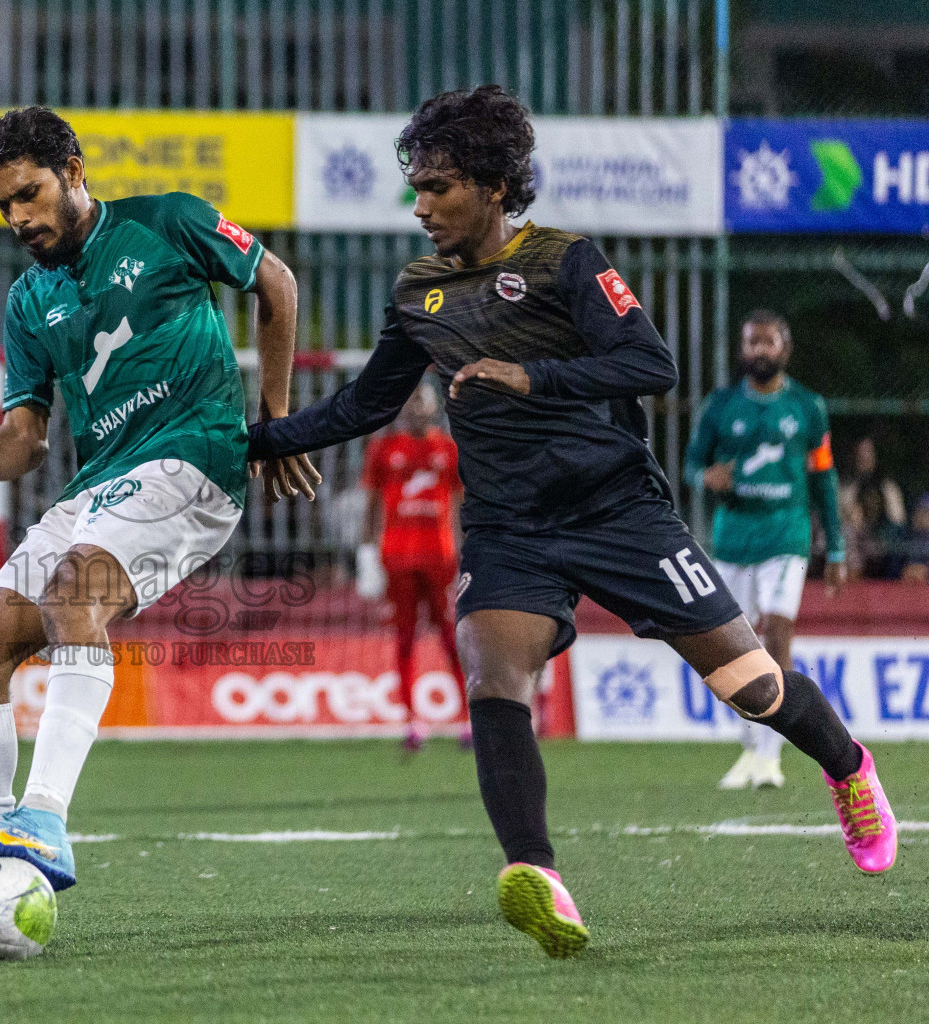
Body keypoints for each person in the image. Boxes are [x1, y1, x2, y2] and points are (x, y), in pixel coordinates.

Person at [247, 85, 896, 958]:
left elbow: (651, 362)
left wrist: (529, 376)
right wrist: (255, 439)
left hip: (618, 509)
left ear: (490, 183)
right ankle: (536, 874)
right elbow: (367, 401)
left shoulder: (565, 261)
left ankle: (850, 768)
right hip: (509, 526)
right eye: (417, 187)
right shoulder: (419, 291)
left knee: (754, 685)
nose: (422, 205)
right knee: (490, 673)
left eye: (438, 187)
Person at [0, 106, 317, 892]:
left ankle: (46, 817)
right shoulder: (29, 300)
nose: (18, 217)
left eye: (28, 194)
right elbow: (25, 441)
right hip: (100, 486)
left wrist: (278, 417)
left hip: (194, 458)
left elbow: (276, 283)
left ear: (74, 172)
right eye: (3, 206)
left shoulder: (170, 222)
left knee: (73, 589)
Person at [684, 310, 845, 791]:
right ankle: (751, 747)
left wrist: (835, 546)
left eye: (768, 342)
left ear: (785, 348)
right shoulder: (720, 407)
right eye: (751, 342)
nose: (758, 350)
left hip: (785, 536)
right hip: (733, 539)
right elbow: (693, 463)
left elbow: (824, 477)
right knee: (730, 648)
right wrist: (703, 477)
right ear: (741, 349)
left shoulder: (807, 407)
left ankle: (771, 756)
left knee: (776, 634)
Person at [357, 381, 464, 752]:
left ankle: (466, 719)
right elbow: (371, 504)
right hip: (397, 557)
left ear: (435, 407)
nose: (417, 407)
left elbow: (460, 507)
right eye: (412, 401)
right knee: (404, 639)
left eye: (423, 400)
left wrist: (468, 553)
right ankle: (412, 722)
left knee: (452, 637)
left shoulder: (449, 449)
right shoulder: (384, 449)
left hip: (440, 557)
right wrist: (366, 554)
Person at [840, 438, 907, 578]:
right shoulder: (848, 487)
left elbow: (898, 520)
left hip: (882, 541)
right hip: (856, 542)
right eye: (861, 453)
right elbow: (843, 519)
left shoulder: (887, 487)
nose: (865, 457)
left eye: (869, 453)